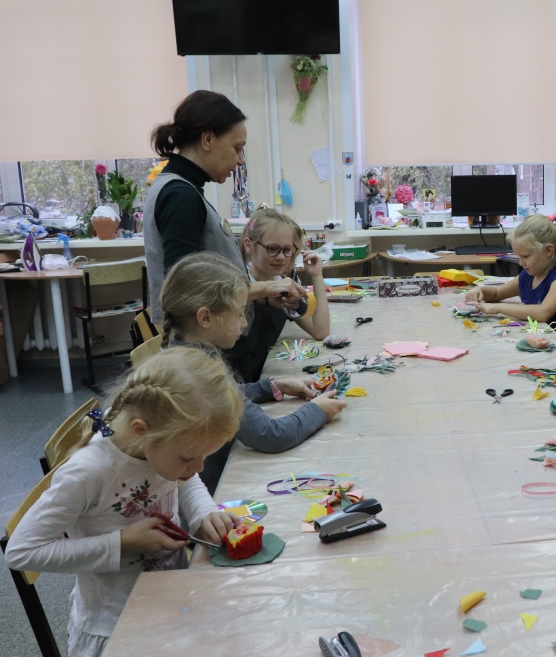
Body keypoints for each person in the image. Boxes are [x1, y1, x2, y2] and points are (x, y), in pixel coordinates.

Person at [5, 348, 243, 657]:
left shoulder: (158, 442)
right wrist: (122, 543)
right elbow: (21, 552)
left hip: (170, 601)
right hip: (116, 627)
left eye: (204, 456)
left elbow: (184, 478)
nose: (198, 468)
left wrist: (203, 511)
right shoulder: (89, 472)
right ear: (141, 432)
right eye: (189, 458)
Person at [160, 253, 347, 492]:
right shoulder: (201, 374)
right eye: (239, 313)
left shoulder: (184, 355)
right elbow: (270, 435)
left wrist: (271, 386)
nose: (245, 323)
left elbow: (227, 396)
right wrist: (317, 411)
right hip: (213, 487)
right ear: (205, 317)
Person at [143, 90, 304, 323]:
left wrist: (263, 297)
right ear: (208, 140)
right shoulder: (180, 196)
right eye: (237, 148)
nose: (240, 160)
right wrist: (265, 288)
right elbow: (186, 290)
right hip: (196, 338)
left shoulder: (183, 189)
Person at [227, 206, 331, 383]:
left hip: (265, 376)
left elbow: (320, 330)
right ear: (249, 245)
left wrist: (317, 276)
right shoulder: (235, 285)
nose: (282, 257)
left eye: (287, 250)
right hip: (236, 383)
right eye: (273, 249)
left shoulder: (284, 284)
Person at [464, 214, 556, 348]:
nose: (521, 263)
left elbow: (543, 313)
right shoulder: (528, 275)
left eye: (525, 256)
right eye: (518, 257)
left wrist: (498, 308)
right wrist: (480, 290)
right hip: (537, 344)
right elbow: (496, 293)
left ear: (548, 250)